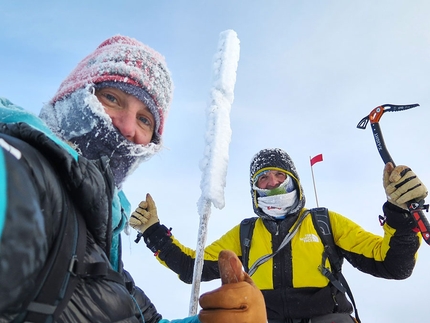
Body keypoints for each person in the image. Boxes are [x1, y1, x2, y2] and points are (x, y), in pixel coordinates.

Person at [0, 35, 266, 323]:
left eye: (144, 120)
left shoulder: (102, 241)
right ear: (72, 95)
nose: (127, 127)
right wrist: (154, 232)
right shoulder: (24, 174)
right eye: (112, 98)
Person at [130, 147, 428, 323]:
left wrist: (400, 216)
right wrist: (152, 231)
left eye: (279, 176)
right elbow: (190, 267)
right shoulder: (246, 233)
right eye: (263, 178)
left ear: (295, 182)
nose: (272, 183)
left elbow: (394, 265)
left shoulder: (324, 223)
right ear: (254, 190)